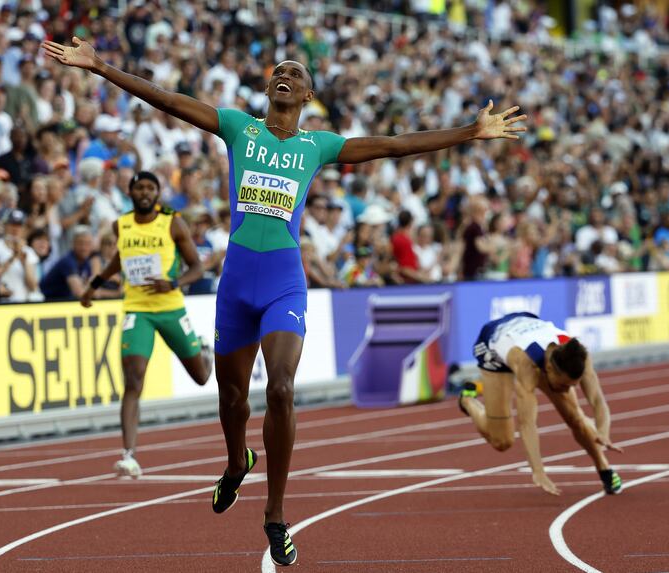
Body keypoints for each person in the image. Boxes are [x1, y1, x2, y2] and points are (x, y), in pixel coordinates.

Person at [44, 36, 525, 566]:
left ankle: (275, 514)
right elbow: (168, 100)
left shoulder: (314, 147)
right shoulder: (238, 127)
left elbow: (392, 144)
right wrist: (101, 67)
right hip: (235, 286)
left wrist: (469, 132)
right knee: (232, 401)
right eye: (279, 71)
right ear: (267, 87)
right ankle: (235, 463)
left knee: (280, 388)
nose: (285, 76)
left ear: (307, 95)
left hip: (283, 284)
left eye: (295, 74)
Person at [80, 171, 212, 477]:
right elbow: (119, 259)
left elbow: (197, 267)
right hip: (137, 310)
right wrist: (94, 285)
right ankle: (129, 455)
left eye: (151, 187)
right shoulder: (121, 224)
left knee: (202, 377)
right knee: (134, 379)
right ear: (130, 192)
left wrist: (173, 283)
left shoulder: (172, 222)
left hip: (170, 309)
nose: (145, 192)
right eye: (140, 187)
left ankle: (205, 351)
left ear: (158, 193)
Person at [460, 312, 623, 496]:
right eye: (563, 385)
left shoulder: (579, 357)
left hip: (527, 326)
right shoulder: (526, 364)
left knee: (575, 416)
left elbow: (597, 400)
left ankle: (604, 468)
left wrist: (603, 432)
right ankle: (467, 400)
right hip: (494, 350)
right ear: (549, 369)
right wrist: (538, 471)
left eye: (572, 385)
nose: (566, 389)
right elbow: (527, 423)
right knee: (502, 441)